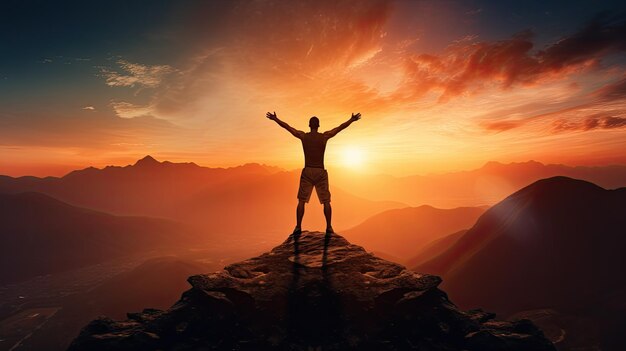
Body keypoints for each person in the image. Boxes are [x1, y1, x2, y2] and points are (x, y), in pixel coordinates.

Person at [267, 111, 361, 235]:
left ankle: (298, 227)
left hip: (308, 171)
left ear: (309, 125)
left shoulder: (304, 136)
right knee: (326, 201)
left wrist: (275, 119)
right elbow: (339, 128)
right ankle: (329, 227)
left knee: (301, 201)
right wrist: (351, 120)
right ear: (319, 126)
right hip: (320, 171)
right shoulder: (324, 137)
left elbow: (288, 127)